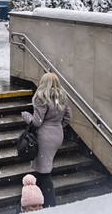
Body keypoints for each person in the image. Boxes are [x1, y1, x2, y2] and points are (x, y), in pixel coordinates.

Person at [21, 72, 72, 208]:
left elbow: (36, 122)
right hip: (57, 135)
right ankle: (38, 200)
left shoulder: (41, 98)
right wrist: (56, 126)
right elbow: (68, 118)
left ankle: (49, 204)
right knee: (45, 168)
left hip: (45, 137)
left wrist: (26, 115)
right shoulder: (62, 97)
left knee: (44, 171)